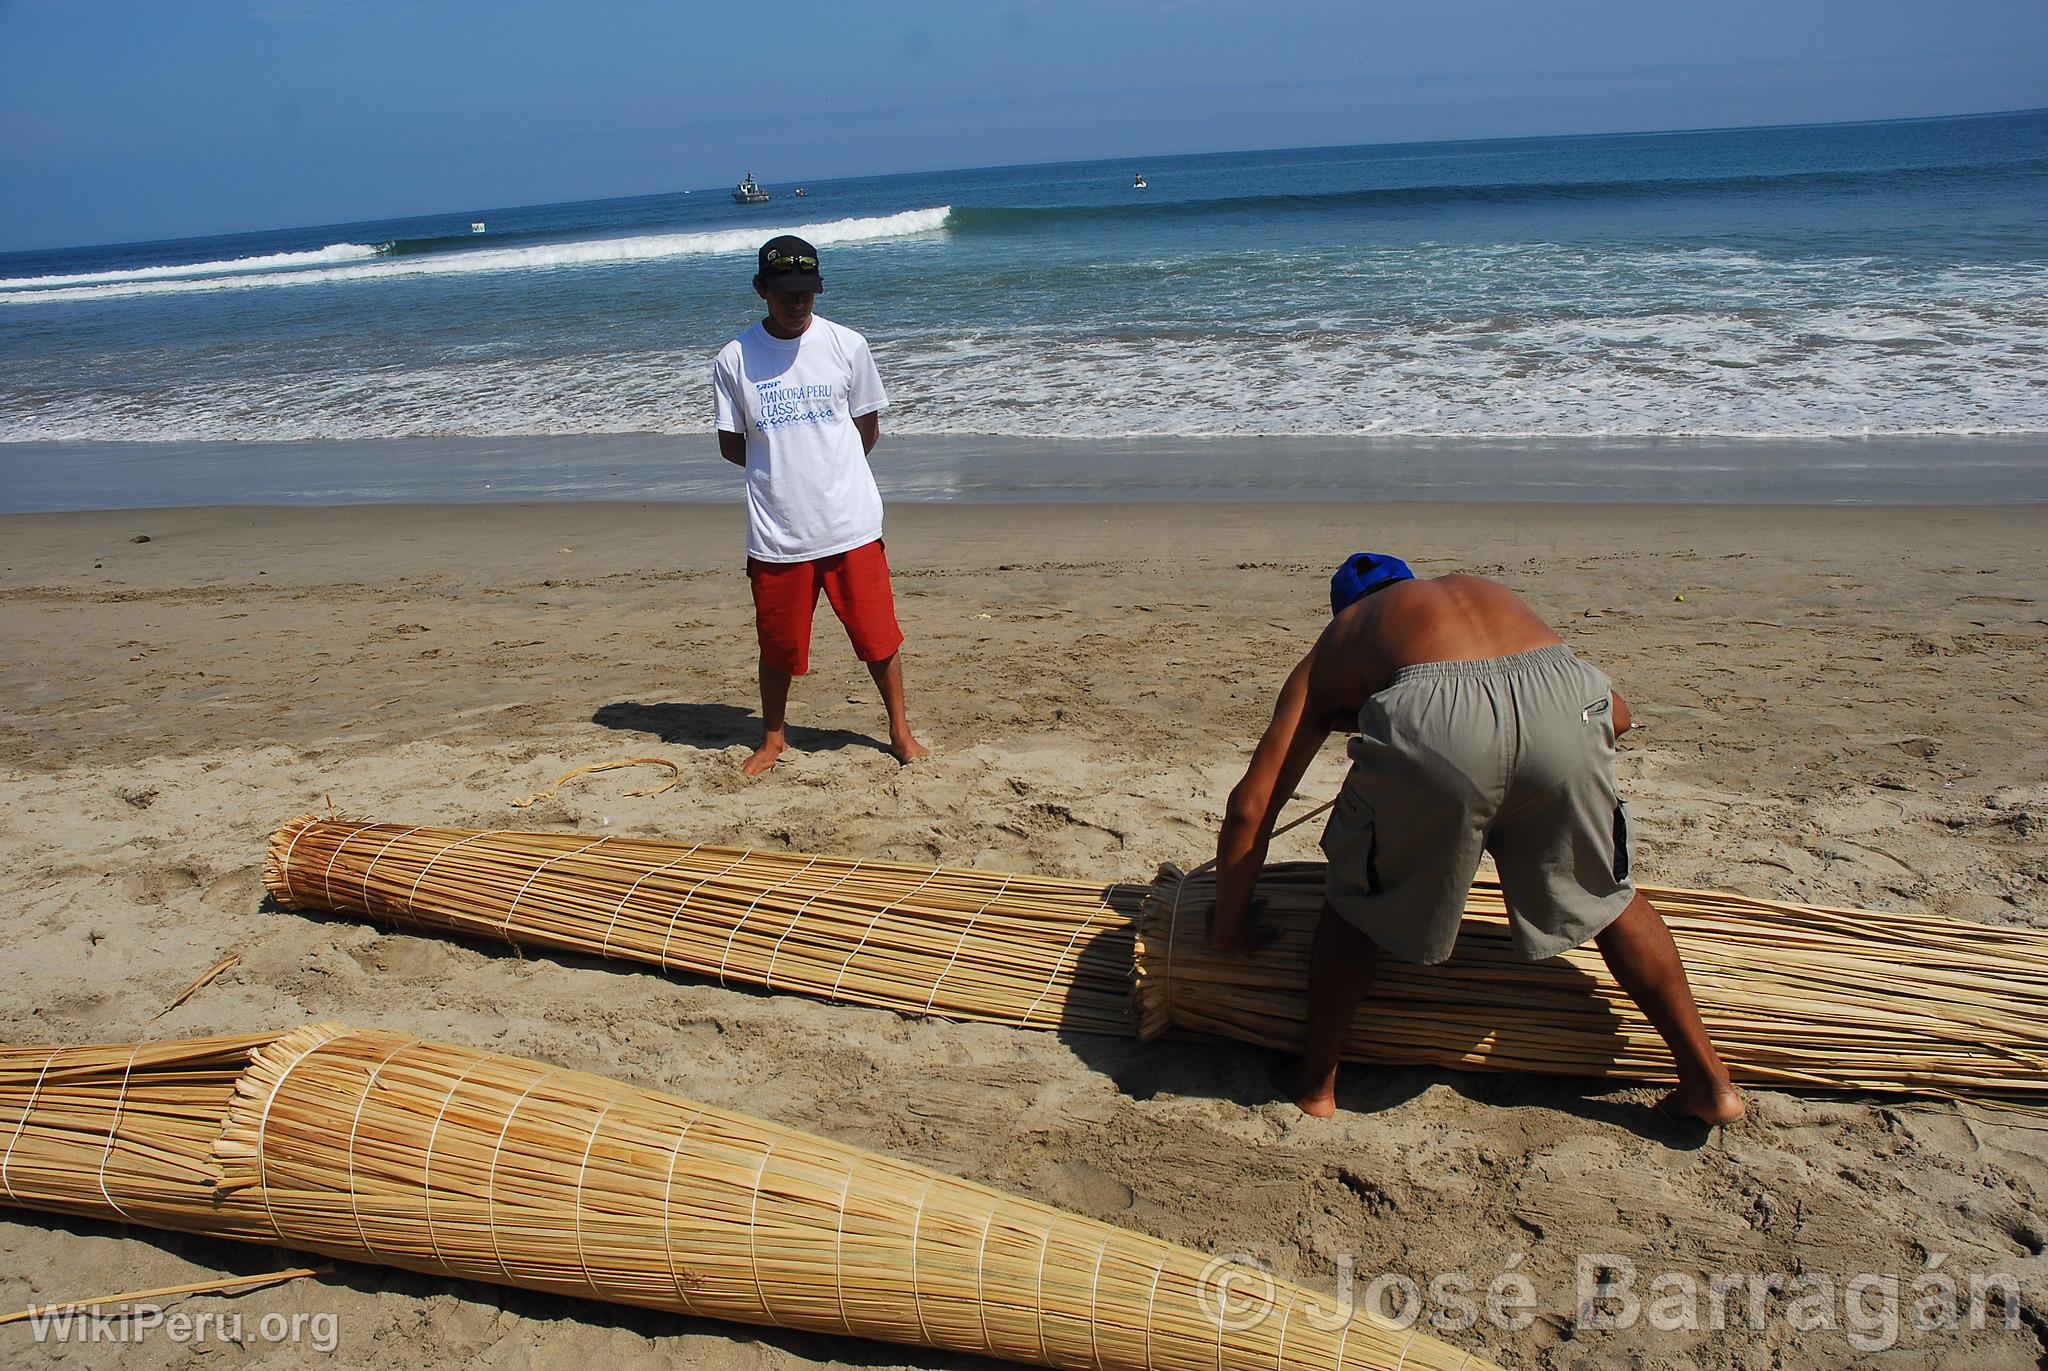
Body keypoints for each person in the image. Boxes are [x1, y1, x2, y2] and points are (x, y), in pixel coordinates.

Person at [1211, 552, 1745, 1125]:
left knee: (1358, 889)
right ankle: (1710, 1084)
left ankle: (1316, 1084)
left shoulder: (1343, 636)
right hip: (1562, 701)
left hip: (1436, 719)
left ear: (1349, 610)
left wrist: (1230, 928)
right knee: (1609, 895)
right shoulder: (1486, 596)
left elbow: (1251, 808)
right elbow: (1617, 717)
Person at [712, 234, 929, 776]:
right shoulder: (734, 359)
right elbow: (732, 444)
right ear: (761, 289)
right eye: (784, 292)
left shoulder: (847, 345)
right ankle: (773, 739)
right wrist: (785, 469)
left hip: (850, 523)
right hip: (777, 532)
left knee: (879, 637)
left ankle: (900, 731)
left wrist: (829, 472)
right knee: (778, 644)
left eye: (806, 291)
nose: (795, 302)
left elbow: (867, 429)